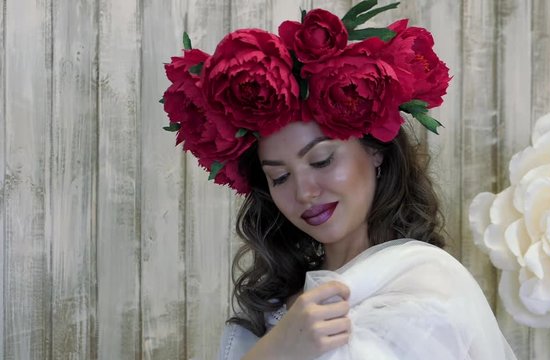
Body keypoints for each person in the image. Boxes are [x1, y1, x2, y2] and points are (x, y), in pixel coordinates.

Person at [161, 1, 517, 359]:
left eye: (322, 160)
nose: (304, 192)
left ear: (376, 151)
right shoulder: (274, 305)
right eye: (280, 177)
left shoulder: (426, 285)